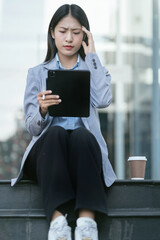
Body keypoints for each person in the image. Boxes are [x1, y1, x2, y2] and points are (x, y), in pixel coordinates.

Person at [11, 4, 117, 240]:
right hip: (50, 154)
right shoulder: (37, 73)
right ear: (52, 33)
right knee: (56, 133)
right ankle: (58, 222)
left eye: (76, 32)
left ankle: (86, 223)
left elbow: (103, 100)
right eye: (62, 31)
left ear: (85, 35)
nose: (69, 38)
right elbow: (32, 127)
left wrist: (92, 57)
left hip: (83, 155)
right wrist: (42, 109)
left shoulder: (94, 69)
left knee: (81, 136)